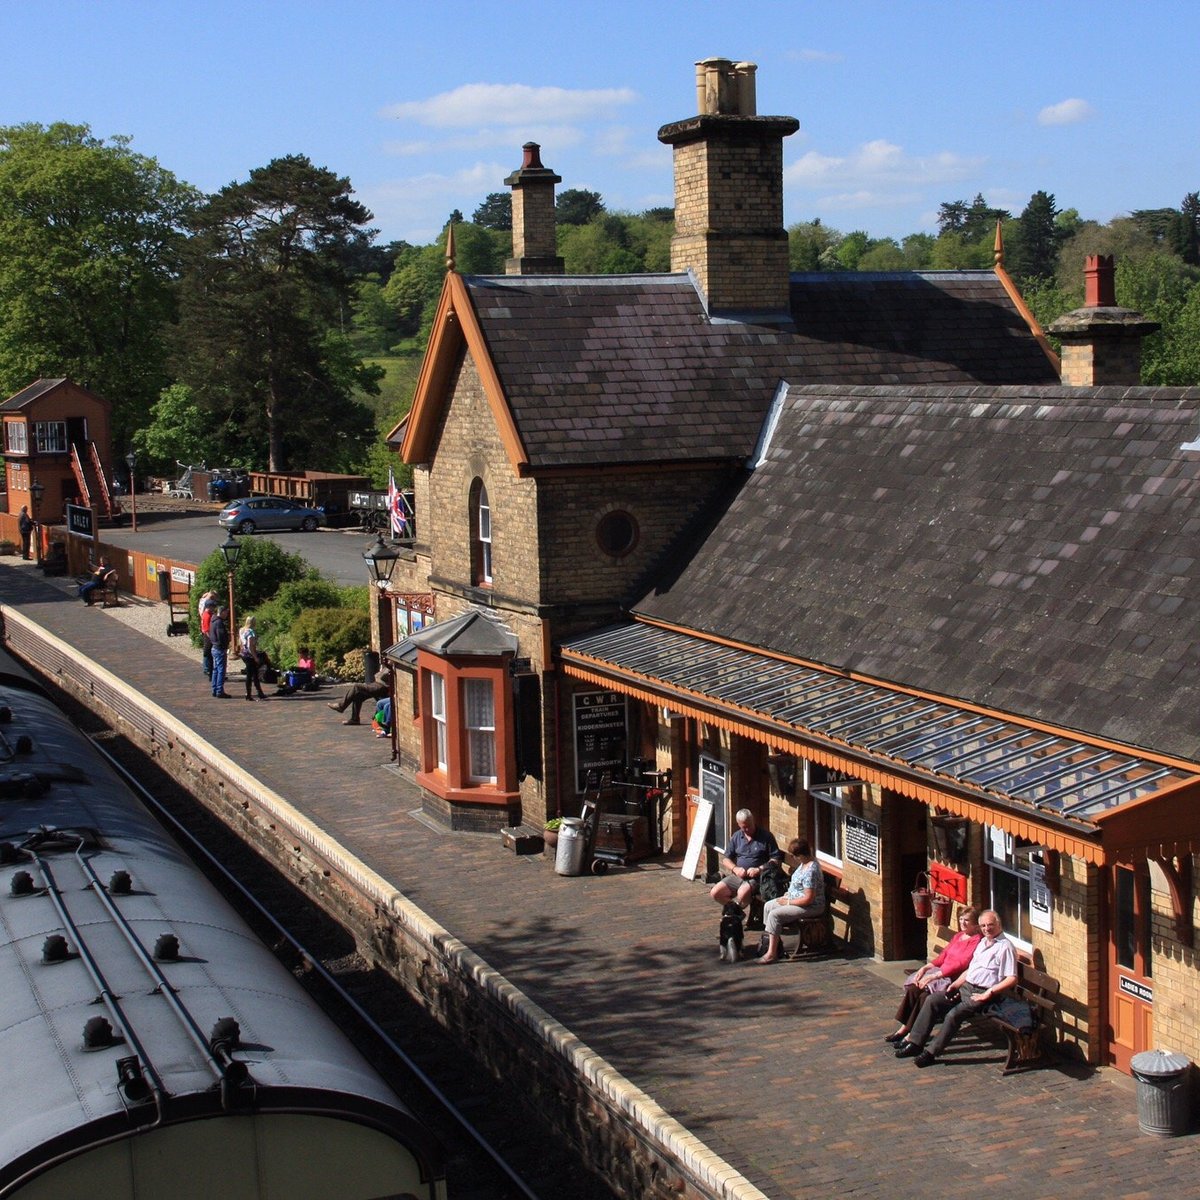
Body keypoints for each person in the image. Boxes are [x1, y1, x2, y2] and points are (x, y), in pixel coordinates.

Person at [895, 909, 1018, 1067]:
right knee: (933, 1000)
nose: (987, 928)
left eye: (990, 925)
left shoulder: (1005, 947)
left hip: (983, 994)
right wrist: (956, 984)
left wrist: (989, 993)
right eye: (983, 926)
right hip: (966, 987)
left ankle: (931, 1053)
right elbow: (970, 970)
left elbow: (1012, 978)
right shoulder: (983, 943)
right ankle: (915, 1043)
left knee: (954, 1015)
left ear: (999, 924)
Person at [885, 907, 981, 1042]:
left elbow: (960, 964)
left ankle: (912, 1035)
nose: (962, 923)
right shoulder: (958, 936)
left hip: (952, 981)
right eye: (961, 919)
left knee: (925, 997)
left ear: (976, 924)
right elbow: (943, 956)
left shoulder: (977, 941)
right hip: (940, 974)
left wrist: (935, 976)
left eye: (967, 920)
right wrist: (925, 968)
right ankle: (904, 1028)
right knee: (914, 989)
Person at [757, 839, 825, 963]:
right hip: (794, 899)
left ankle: (771, 954)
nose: (793, 858)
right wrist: (788, 896)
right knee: (768, 906)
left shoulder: (811, 871)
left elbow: (808, 899)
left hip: (811, 906)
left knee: (775, 915)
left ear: (801, 856)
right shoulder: (803, 864)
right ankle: (774, 944)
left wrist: (788, 903)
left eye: (794, 856)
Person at [709, 809, 783, 908]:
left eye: (750, 826)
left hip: (758, 877)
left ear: (753, 821)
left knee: (742, 893)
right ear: (739, 824)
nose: (748, 829)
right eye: (744, 827)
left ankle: (735, 913)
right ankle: (736, 912)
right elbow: (726, 859)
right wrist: (735, 868)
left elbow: (775, 859)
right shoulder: (736, 836)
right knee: (715, 892)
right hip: (738, 875)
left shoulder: (766, 836)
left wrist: (759, 869)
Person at [238, 615, 268, 701]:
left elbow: (240, 642)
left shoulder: (242, 630)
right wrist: (255, 657)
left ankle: (259, 692)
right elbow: (250, 646)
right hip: (250, 655)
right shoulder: (251, 632)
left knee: (254, 673)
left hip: (243, 653)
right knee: (251, 675)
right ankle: (249, 694)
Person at [209, 605, 232, 698]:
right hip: (219, 648)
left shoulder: (213, 621)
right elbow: (221, 636)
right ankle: (219, 690)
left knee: (215, 670)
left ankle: (214, 689)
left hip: (214, 647)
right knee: (221, 670)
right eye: (226, 612)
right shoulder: (219, 623)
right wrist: (226, 643)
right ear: (221, 612)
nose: (227, 615)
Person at [198, 591, 217, 679]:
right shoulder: (207, 615)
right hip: (209, 637)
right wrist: (213, 640)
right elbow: (207, 630)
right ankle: (209, 671)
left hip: (207, 635)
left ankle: (209, 670)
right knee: (208, 654)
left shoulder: (203, 600)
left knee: (208, 654)